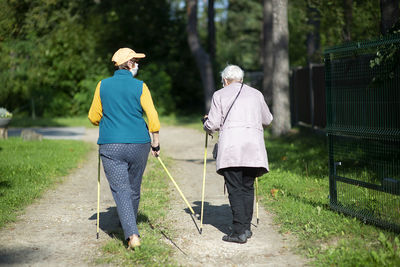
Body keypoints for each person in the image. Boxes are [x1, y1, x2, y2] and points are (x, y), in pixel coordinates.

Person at [88, 47, 160, 249]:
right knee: (133, 187)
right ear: (128, 64)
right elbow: (152, 116)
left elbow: (93, 117)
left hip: (111, 145)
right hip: (139, 143)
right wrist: (156, 142)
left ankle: (131, 232)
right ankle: (130, 227)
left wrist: (108, 120)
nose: (138, 65)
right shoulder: (141, 86)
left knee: (121, 189)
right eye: (136, 61)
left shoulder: (102, 85)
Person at [203, 65, 273, 244]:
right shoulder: (256, 94)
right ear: (241, 79)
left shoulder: (220, 94)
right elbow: (268, 119)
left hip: (231, 149)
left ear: (225, 80)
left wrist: (205, 123)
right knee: (247, 187)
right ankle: (246, 228)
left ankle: (239, 231)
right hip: (253, 148)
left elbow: (212, 124)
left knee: (235, 189)